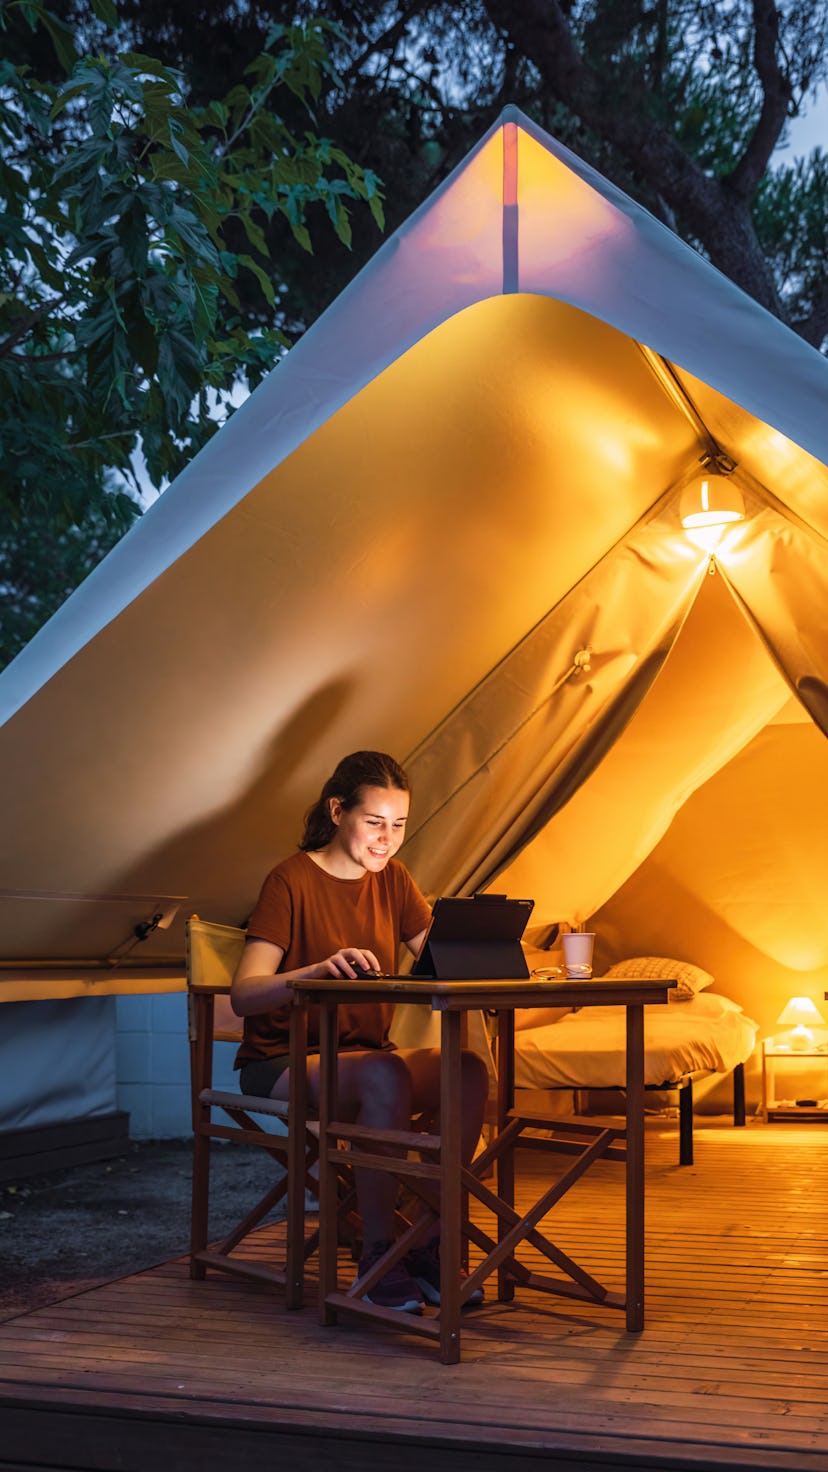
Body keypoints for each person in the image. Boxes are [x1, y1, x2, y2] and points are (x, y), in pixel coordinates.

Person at [231, 749, 490, 1314]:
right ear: (337, 811)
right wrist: (315, 971)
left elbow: (436, 961)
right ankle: (379, 1251)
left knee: (466, 1069)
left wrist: (489, 957)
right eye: (374, 822)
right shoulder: (290, 879)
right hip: (281, 1060)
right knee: (383, 1074)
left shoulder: (394, 880)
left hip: (371, 1058)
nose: (387, 838)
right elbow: (244, 993)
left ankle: (428, 1238)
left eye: (398, 825)